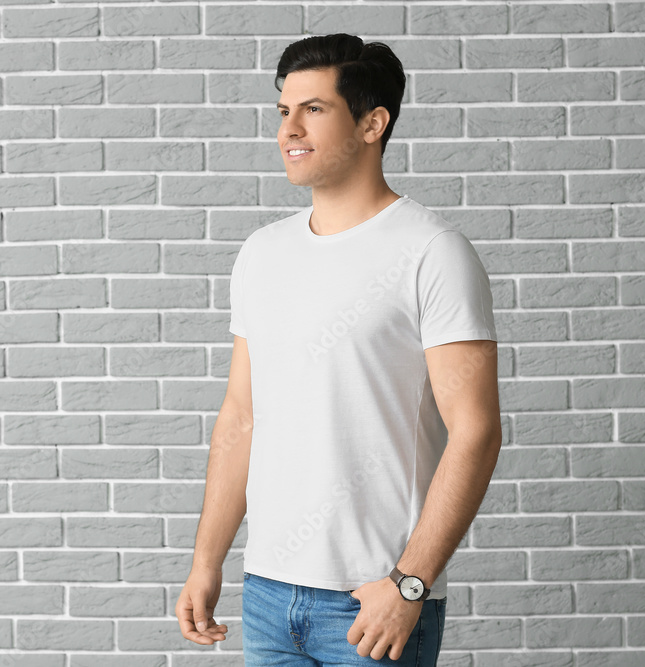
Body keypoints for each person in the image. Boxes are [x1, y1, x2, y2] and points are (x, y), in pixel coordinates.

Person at [175, 33, 502, 666]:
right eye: (282, 110)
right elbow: (241, 415)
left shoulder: (433, 252)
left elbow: (477, 431)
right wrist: (207, 561)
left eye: (314, 109)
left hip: (372, 600)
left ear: (373, 122)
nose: (288, 128)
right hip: (268, 595)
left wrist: (410, 584)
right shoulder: (262, 254)